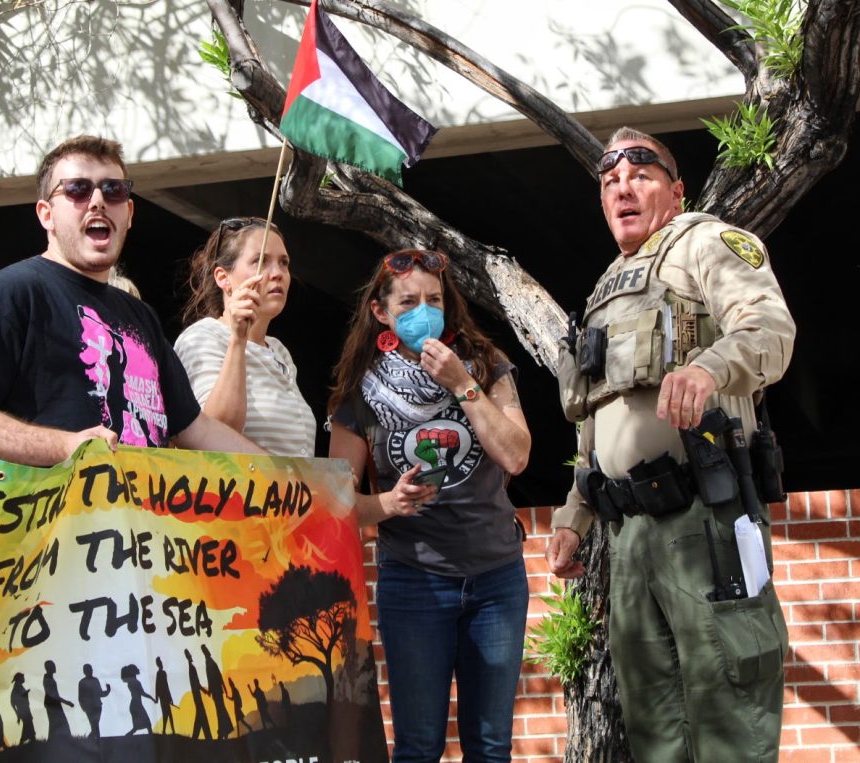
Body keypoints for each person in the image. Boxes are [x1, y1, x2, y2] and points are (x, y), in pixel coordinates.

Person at [546, 127, 794, 762]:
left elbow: (770, 328)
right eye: (609, 183)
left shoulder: (705, 243)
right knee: (654, 725)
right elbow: (594, 417)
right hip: (628, 537)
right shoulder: (605, 289)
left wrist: (709, 367)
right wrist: (575, 516)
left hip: (706, 522)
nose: (622, 189)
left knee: (730, 709)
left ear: (676, 190)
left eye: (641, 176)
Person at [0, 135, 262, 466]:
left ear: (129, 212)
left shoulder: (140, 317)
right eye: (77, 189)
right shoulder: (10, 293)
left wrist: (298, 480)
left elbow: (197, 429)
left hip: (135, 516)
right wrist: (65, 445)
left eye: (114, 190)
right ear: (46, 214)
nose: (97, 201)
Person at [327, 249, 531, 762]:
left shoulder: (484, 365)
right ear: (381, 313)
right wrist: (389, 503)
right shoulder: (359, 391)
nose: (425, 311)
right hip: (415, 581)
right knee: (418, 746)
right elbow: (339, 506)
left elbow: (516, 455)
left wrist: (463, 384)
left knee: (490, 745)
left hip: (497, 579)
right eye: (410, 301)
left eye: (435, 300)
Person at [174, 217, 316, 456]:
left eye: (284, 263)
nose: (278, 273)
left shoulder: (279, 351)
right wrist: (238, 340)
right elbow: (213, 434)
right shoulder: (202, 337)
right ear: (223, 278)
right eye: (260, 261)